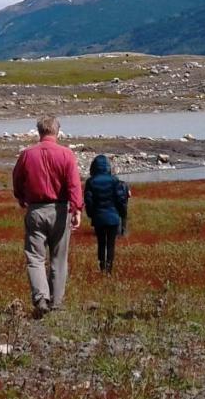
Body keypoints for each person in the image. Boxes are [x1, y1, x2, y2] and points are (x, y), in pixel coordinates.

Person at [12, 116, 83, 318]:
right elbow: (74, 184)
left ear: (39, 131)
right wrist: (77, 209)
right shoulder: (66, 154)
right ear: (57, 132)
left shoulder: (27, 154)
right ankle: (57, 302)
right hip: (60, 210)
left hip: (35, 209)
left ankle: (41, 298)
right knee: (59, 259)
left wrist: (21, 197)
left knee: (35, 257)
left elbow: (17, 179)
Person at [83, 154, 130, 274]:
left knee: (101, 243)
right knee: (111, 244)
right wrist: (122, 213)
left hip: (98, 217)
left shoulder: (90, 181)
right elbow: (120, 199)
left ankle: (102, 267)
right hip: (113, 217)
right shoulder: (115, 180)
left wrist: (91, 214)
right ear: (108, 167)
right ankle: (109, 270)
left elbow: (88, 200)